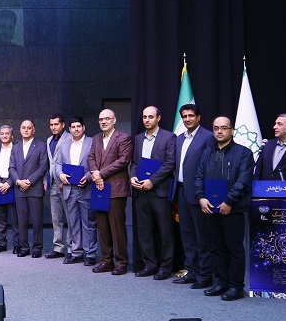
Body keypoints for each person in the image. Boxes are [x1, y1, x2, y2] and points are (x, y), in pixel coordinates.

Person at [194, 116, 255, 301]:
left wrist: (229, 201)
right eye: (216, 128)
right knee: (216, 247)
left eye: (223, 128)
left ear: (232, 131)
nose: (219, 131)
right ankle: (221, 282)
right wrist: (201, 197)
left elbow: (243, 181)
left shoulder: (244, 153)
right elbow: (199, 177)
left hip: (233, 209)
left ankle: (236, 286)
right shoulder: (207, 152)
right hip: (210, 208)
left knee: (234, 249)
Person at [171, 104, 217, 288]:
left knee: (202, 237)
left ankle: (205, 275)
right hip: (181, 191)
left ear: (198, 117)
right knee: (187, 235)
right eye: (184, 116)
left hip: (199, 194)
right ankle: (191, 271)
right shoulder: (179, 138)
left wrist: (203, 194)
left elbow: (211, 167)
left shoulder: (208, 137)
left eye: (191, 115)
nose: (187, 119)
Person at [129, 106, 177, 280]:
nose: (147, 120)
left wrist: (152, 181)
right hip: (140, 191)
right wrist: (132, 177)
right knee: (144, 231)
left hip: (159, 191)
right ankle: (149, 265)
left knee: (165, 232)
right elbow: (134, 163)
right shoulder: (138, 138)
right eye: (144, 117)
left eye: (150, 117)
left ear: (158, 118)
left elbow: (170, 163)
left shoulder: (169, 137)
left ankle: (165, 267)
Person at [87, 108, 133, 275]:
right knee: (103, 228)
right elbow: (90, 158)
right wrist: (95, 175)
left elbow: (123, 161)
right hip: (99, 188)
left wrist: (100, 174)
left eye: (107, 118)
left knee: (117, 228)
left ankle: (121, 262)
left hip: (115, 189)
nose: (104, 122)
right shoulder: (96, 138)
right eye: (101, 119)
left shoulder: (124, 138)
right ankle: (106, 261)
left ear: (114, 120)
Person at [54, 116, 98, 265]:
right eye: (73, 127)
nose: (76, 129)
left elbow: (97, 163)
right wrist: (60, 175)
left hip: (85, 188)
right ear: (69, 129)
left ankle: (90, 253)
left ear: (83, 127)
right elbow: (58, 164)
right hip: (69, 189)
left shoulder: (92, 142)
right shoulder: (64, 144)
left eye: (78, 126)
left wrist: (88, 176)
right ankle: (76, 252)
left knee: (89, 223)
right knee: (73, 223)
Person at [10, 120, 50, 258]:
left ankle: (37, 247)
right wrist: (18, 181)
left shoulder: (41, 146)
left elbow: (43, 167)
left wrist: (29, 181)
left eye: (29, 128)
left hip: (34, 189)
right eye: (23, 128)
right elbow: (11, 167)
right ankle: (24, 247)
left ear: (34, 130)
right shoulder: (15, 147)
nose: (26, 130)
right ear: (20, 130)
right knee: (21, 221)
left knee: (37, 221)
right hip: (19, 189)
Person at [0, 125, 18, 254]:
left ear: (12, 136)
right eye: (2, 134)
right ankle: (2, 244)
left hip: (13, 185)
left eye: (7, 133)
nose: (4, 136)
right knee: (1, 217)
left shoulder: (17, 149)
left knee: (15, 218)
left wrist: (9, 183)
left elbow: (19, 169)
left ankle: (17, 244)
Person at [44, 113, 68, 259]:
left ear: (63, 125)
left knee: (70, 219)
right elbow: (49, 163)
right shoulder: (49, 140)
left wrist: (64, 180)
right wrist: (46, 180)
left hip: (66, 184)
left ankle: (72, 249)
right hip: (52, 184)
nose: (53, 127)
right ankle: (58, 248)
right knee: (56, 218)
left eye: (56, 124)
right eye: (51, 125)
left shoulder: (70, 138)